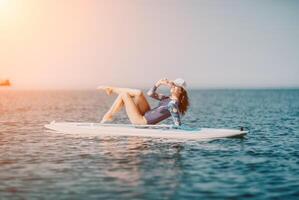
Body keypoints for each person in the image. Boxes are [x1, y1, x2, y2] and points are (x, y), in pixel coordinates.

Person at [97, 78, 189, 126]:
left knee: (124, 95)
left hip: (142, 122)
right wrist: (158, 83)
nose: (172, 86)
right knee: (139, 93)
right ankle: (111, 89)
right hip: (145, 114)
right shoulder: (167, 98)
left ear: (180, 91)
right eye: (173, 84)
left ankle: (108, 116)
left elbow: (177, 123)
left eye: (175, 85)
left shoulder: (173, 104)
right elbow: (150, 93)